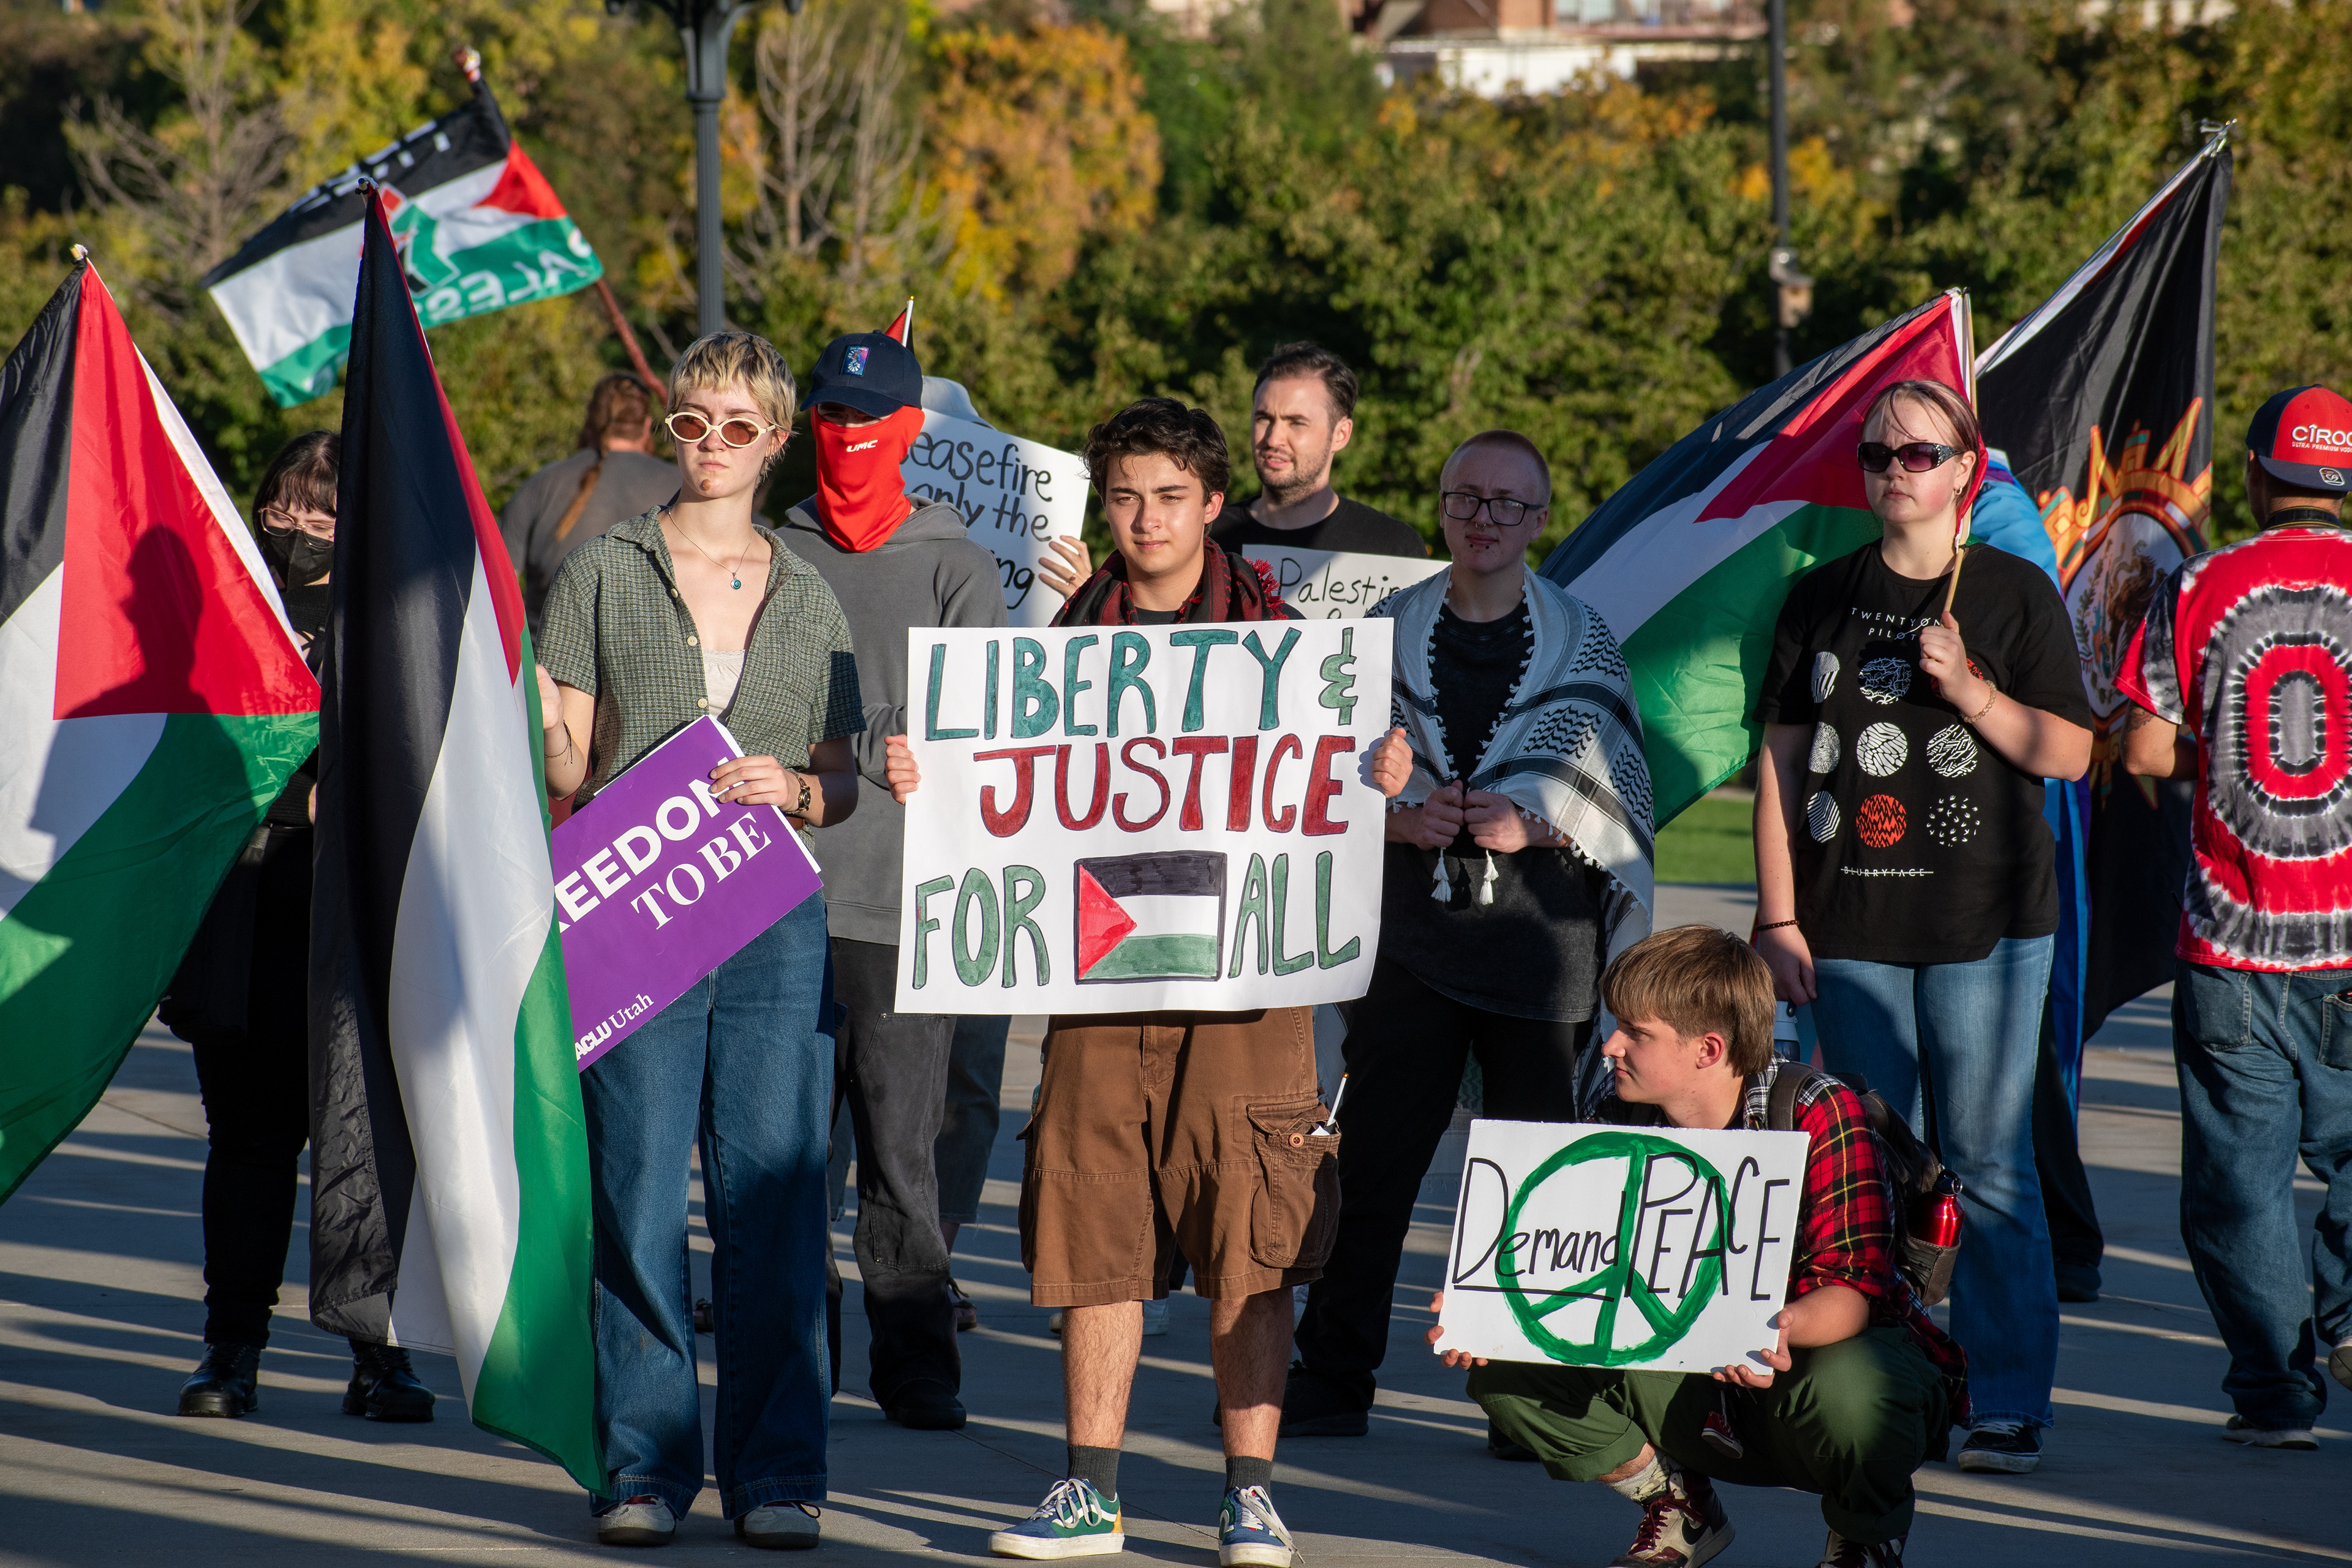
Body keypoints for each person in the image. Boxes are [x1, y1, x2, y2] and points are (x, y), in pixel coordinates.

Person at [884, 399, 1393, 1566]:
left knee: (1253, 1236)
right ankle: (1088, 1492)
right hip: (1099, 978)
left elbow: (1354, 781)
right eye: (1123, 496)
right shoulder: (1056, 647)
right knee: (1093, 1218)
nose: (1144, 518)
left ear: (1215, 506)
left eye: (1169, 496)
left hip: (1249, 984)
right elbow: (988, 785)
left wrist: (1383, 767)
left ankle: (1250, 1494)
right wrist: (934, 770)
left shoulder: (1291, 644)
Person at [535, 331, 862, 1550]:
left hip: (775, 917)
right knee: (633, 1189)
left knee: (772, 1199)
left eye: (739, 425)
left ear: (779, 442)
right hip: (631, 912)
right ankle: (644, 1465)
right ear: (669, 428)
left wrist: (805, 790)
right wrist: (532, 718)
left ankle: (778, 1469)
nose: (712, 442)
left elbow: (843, 776)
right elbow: (566, 753)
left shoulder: (813, 590)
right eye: (692, 420)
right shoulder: (603, 568)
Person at [1750, 379, 2092, 1476]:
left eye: (1919, 453)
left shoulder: (2012, 595)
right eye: (1878, 453)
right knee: (1869, 1169)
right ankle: (1895, 1389)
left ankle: (2006, 1401)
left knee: (1989, 1165)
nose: (1895, 468)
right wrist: (1776, 916)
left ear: (1964, 468)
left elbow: (2071, 755)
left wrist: (1975, 693)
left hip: (1987, 925)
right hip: (1846, 926)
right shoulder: (1819, 596)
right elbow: (1782, 764)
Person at [1283, 430, 1654, 1439]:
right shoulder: (1381, 632)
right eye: (1467, 499)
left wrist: (1533, 821)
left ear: (1539, 521)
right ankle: (1333, 1375)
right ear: (1443, 505)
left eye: (1508, 506)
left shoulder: (1584, 640)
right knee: (1375, 1168)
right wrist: (1397, 819)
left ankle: (1523, 1391)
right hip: (1412, 942)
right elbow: (1320, 771)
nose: (1484, 520)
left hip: (1543, 950)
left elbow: (1617, 789)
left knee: (1535, 1181)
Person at [1441, 925, 1967, 1568]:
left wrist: (1769, 1327)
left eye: (1637, 1032)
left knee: (1857, 1390)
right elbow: (1587, 1266)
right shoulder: (1619, 1108)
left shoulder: (1817, 1111)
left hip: (1808, 1365)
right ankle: (1677, 1503)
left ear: (1708, 1048)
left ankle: (1865, 1535)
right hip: (1688, 1371)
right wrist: (1491, 1309)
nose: (1612, 1045)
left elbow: (1857, 1292)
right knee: (1506, 1363)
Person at [161, 432, 435, 1426]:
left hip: (358, 922)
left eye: (322, 513)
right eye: (284, 509)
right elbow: (184, 759)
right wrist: (292, 809)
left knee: (362, 1147)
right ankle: (231, 1350)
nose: (301, 530)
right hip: (245, 917)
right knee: (249, 1145)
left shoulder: (392, 613)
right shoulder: (225, 612)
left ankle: (380, 1355)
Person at [775, 330, 1006, 1427]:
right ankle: (796, 1359)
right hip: (772, 897)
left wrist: (869, 746)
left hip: (910, 907)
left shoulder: (959, 568)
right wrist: (874, 745)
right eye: (830, 419)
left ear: (912, 432)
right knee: (780, 1160)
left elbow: (986, 729)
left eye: (870, 422)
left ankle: (915, 1368)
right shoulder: (773, 553)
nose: (849, 439)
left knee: (900, 1154)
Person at [2119, 384, 2352, 1449]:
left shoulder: (2202, 582)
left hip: (2233, 934)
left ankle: (2275, 1396)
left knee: (2240, 1184)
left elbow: (2142, 750)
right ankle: (2349, 1318)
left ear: (2260, 478)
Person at [1032, 342, 1422, 603]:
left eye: (1296, 423)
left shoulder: (1394, 547)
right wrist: (1094, 603)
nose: (1274, 438)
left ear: (1342, 433)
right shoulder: (1197, 538)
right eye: (1264, 418)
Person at [499, 372, 677, 636]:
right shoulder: (679, 488)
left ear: (591, 422)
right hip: (648, 667)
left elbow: (498, 592)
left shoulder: (541, 485)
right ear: (647, 425)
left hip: (547, 669)